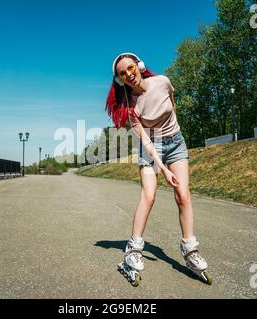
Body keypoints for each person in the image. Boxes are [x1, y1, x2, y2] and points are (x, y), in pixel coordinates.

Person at [105, 52, 211, 286]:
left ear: (139, 66)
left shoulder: (162, 81)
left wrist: (174, 128)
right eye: (123, 73)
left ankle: (190, 251)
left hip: (176, 141)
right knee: (149, 195)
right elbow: (147, 144)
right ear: (120, 79)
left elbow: (172, 102)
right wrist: (163, 169)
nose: (129, 74)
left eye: (131, 68)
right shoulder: (130, 109)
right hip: (152, 148)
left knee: (183, 195)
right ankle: (132, 251)